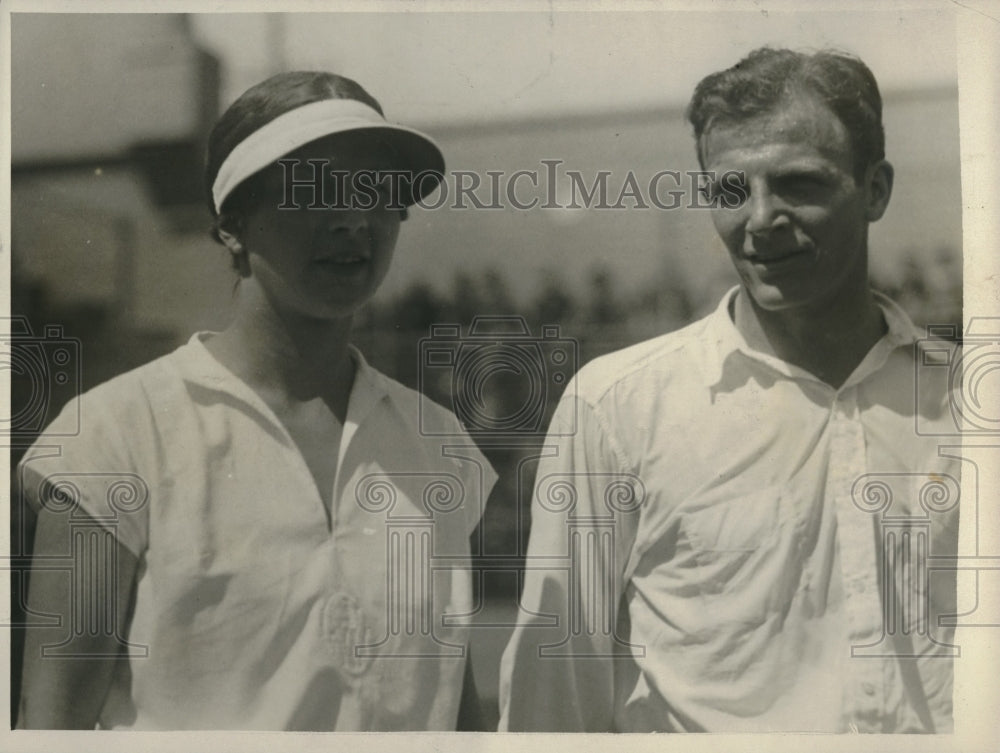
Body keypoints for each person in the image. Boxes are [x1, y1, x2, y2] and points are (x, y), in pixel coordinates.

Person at [17, 71, 496, 730]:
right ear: (233, 225)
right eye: (314, 188)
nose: (353, 219)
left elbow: (453, 711)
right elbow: (50, 728)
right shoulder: (113, 435)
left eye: (376, 191)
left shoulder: (438, 443)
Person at [499, 48, 959, 733]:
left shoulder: (971, 403)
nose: (762, 217)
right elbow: (552, 702)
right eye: (731, 190)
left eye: (799, 183)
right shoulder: (618, 406)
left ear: (875, 190)